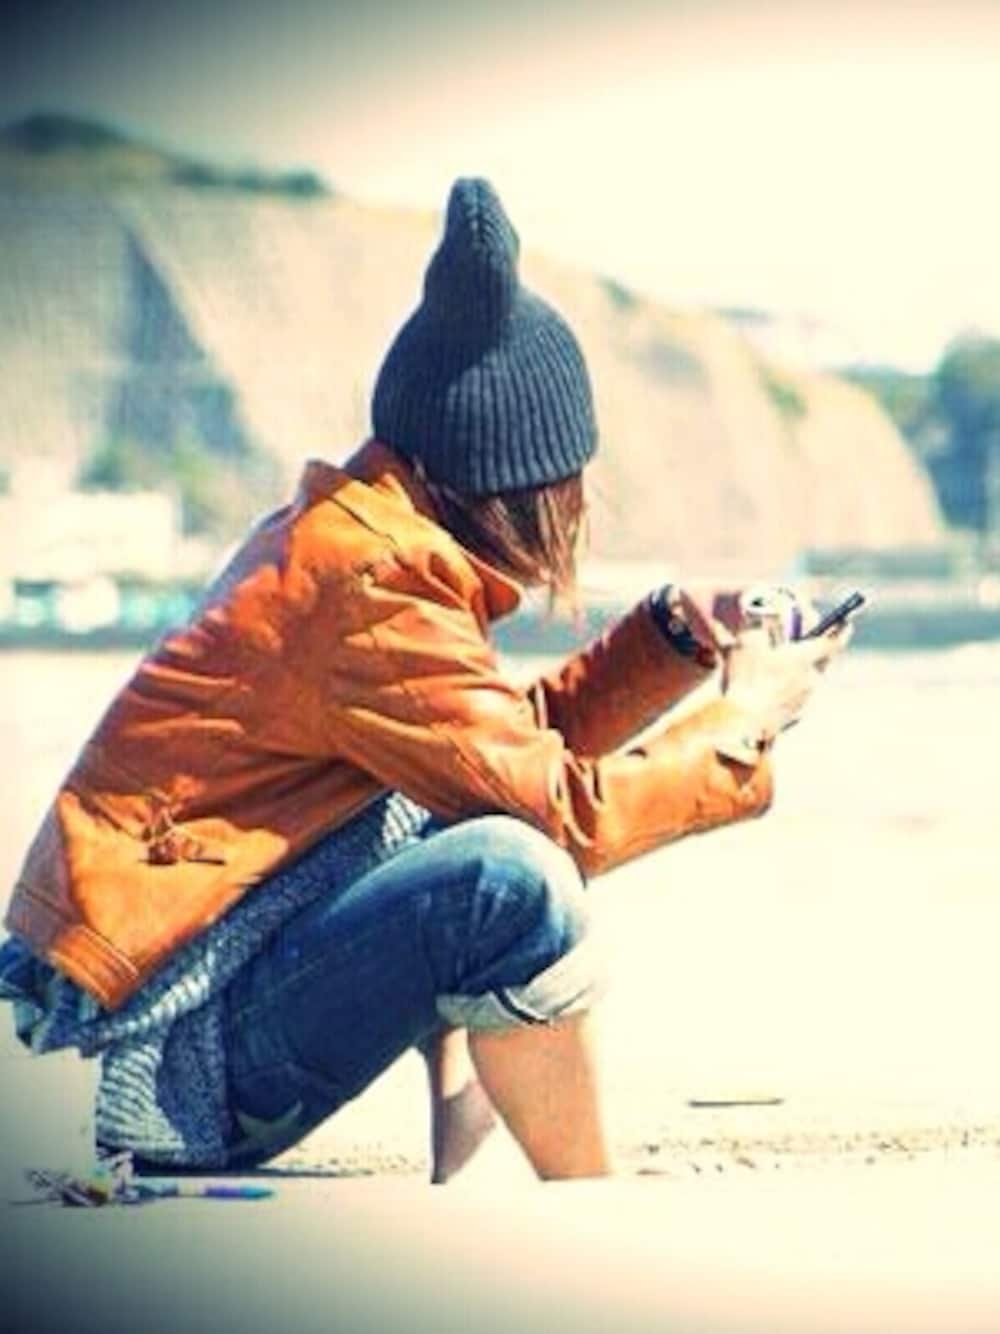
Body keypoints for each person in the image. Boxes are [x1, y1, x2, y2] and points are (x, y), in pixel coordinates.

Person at [0, 178, 848, 1183]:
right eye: (570, 478)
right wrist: (742, 721)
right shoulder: (373, 579)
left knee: (475, 827)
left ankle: (477, 1131)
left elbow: (486, 753)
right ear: (520, 477)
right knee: (510, 875)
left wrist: (668, 637)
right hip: (173, 1062)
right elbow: (560, 814)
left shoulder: (352, 538)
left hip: (190, 1008)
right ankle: (585, 1193)